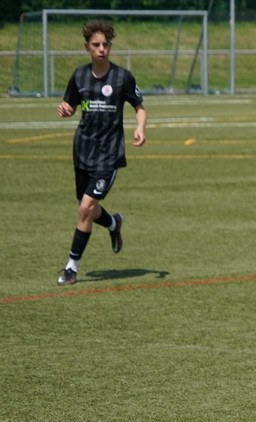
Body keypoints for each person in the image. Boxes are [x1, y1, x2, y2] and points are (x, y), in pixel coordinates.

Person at [56, 19, 146, 286]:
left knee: (85, 208)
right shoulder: (79, 76)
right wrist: (65, 109)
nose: (101, 49)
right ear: (87, 47)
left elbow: (139, 107)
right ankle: (114, 224)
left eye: (105, 44)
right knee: (88, 208)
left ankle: (71, 267)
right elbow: (70, 104)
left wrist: (140, 128)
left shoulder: (122, 77)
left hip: (109, 154)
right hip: (83, 150)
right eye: (96, 45)